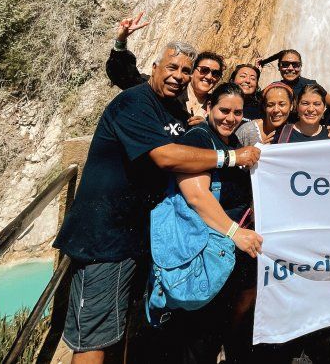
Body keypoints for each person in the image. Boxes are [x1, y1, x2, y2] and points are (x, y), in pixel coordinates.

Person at [54, 44, 261, 364]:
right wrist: (232, 156)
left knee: (118, 327)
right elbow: (166, 157)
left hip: (137, 235)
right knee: (93, 334)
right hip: (105, 235)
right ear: (154, 67)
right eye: (172, 67)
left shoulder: (172, 112)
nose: (179, 76)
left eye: (185, 71)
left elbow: (181, 142)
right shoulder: (134, 102)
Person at [174, 82, 263, 364]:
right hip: (210, 248)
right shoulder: (199, 138)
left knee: (219, 326)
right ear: (209, 107)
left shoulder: (231, 142)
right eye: (224, 110)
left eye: (237, 113)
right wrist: (236, 232)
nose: (230, 118)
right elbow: (197, 196)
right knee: (203, 333)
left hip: (229, 247)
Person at [258, 48, 330, 108]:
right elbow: (254, 101)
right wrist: (256, 73)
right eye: (285, 64)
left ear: (300, 67)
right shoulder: (274, 87)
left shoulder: (311, 85)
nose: (290, 68)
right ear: (279, 67)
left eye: (295, 65)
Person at [105, 12, 151, 89]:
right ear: (155, 67)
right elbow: (120, 74)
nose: (177, 75)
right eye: (172, 67)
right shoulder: (147, 88)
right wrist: (121, 39)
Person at [186, 52, 224, 126]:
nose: (209, 77)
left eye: (215, 73)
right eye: (204, 70)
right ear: (192, 71)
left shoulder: (216, 105)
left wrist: (205, 126)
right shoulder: (175, 93)